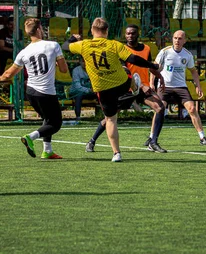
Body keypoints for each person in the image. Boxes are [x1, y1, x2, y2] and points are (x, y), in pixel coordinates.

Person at [63, 17, 162, 162]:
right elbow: (133, 59)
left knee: (111, 119)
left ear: (92, 31)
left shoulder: (83, 45)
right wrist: (152, 65)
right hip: (121, 84)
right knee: (125, 70)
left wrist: (72, 38)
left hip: (102, 88)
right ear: (107, 31)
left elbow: (64, 47)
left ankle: (116, 153)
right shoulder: (114, 44)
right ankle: (134, 86)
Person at [85, 24, 167, 153]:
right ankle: (92, 141)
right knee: (110, 117)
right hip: (126, 88)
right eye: (128, 33)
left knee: (160, 107)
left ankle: (153, 142)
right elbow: (124, 71)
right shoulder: (121, 49)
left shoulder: (146, 48)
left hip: (143, 89)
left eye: (133, 33)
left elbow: (149, 66)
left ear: (138, 34)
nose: (130, 36)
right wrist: (140, 85)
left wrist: (160, 77)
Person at [0, 18, 68, 159]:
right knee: (56, 124)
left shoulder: (24, 51)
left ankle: (47, 150)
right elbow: (64, 70)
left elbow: (9, 73)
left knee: (47, 118)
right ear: (39, 29)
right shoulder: (53, 45)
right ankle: (30, 137)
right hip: (46, 92)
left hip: (31, 92)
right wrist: (55, 63)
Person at [152, 30, 206, 146]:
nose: (177, 41)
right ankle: (152, 137)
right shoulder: (164, 52)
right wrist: (151, 84)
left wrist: (198, 86)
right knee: (159, 109)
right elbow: (153, 68)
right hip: (165, 86)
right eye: (175, 38)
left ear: (184, 41)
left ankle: (202, 137)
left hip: (181, 87)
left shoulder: (187, 55)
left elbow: (193, 72)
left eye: (180, 38)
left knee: (192, 109)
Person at [69, 57, 95, 122]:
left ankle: (106, 115)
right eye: (83, 61)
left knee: (101, 94)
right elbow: (77, 86)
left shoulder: (92, 69)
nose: (84, 63)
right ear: (80, 62)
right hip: (75, 92)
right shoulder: (76, 70)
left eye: (86, 61)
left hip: (89, 92)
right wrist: (89, 90)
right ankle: (78, 117)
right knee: (79, 95)